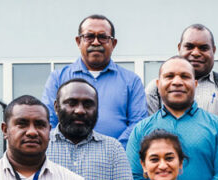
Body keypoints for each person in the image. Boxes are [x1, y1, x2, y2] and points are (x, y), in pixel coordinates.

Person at [126, 56, 218, 180]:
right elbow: (134, 177)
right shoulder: (141, 130)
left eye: (185, 76)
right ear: (158, 85)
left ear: (195, 84)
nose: (177, 82)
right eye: (169, 76)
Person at [41, 14, 147, 147]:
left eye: (103, 37)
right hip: (65, 159)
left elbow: (138, 124)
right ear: (78, 41)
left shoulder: (131, 81)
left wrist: (113, 150)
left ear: (113, 43)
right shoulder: (58, 78)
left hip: (116, 161)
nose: (96, 42)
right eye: (89, 37)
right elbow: (48, 121)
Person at [146, 24, 218, 148]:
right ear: (179, 48)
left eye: (203, 48)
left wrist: (206, 152)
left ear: (213, 50)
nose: (195, 53)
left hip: (212, 164)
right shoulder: (157, 88)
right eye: (189, 47)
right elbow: (148, 131)